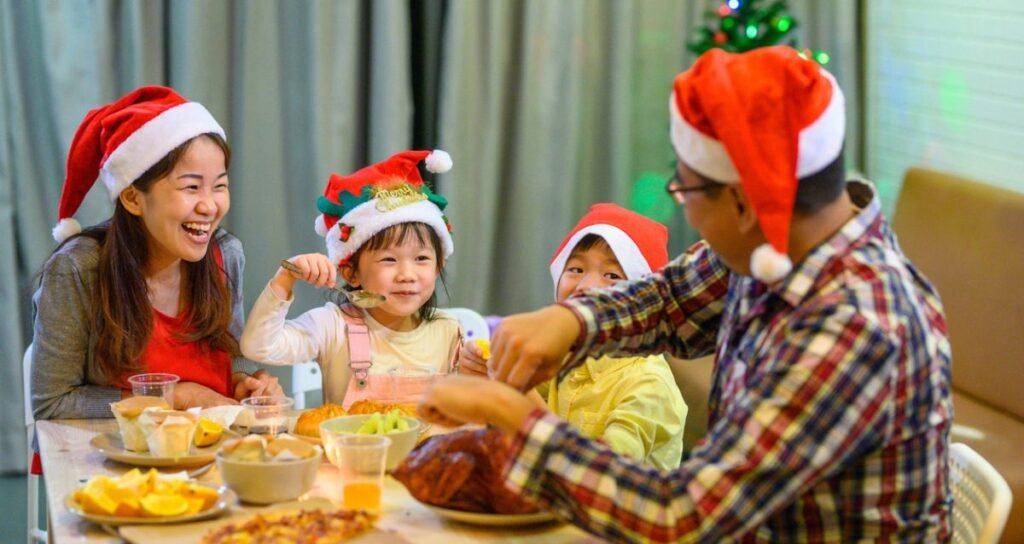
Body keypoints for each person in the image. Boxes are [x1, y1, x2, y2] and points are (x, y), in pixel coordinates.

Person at [419, 46, 953, 542]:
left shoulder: (853, 328)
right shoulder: (780, 241)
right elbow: (672, 299)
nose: (681, 204)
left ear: (744, 204)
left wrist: (513, 416)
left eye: (687, 189)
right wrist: (572, 322)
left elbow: (682, 519)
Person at [31, 86, 281, 420]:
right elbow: (53, 403)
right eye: (191, 187)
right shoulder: (78, 269)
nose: (210, 205)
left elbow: (230, 356)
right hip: (107, 461)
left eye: (219, 185)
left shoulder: (226, 256)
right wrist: (172, 397)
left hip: (208, 456)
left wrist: (244, 383)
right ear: (133, 198)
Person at [461, 203, 688, 470]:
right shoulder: (567, 354)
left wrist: (521, 397)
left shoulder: (650, 386)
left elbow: (601, 474)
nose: (586, 286)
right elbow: (512, 395)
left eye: (612, 275)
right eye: (577, 269)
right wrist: (486, 369)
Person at [240, 150, 462, 408]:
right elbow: (258, 347)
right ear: (350, 272)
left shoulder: (450, 332)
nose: (407, 275)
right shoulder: (332, 326)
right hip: (350, 449)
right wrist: (285, 278)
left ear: (439, 266)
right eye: (389, 260)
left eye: (421, 259)